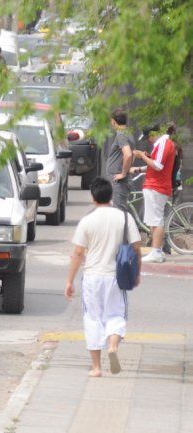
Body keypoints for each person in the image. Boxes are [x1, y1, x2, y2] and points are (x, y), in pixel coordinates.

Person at [65, 177, 141, 377]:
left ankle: (96, 368)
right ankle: (113, 346)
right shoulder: (124, 218)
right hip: (116, 277)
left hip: (92, 277)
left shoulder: (87, 221)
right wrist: (137, 274)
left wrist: (69, 281)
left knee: (93, 319)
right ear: (111, 196)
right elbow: (136, 248)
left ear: (93, 197)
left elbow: (79, 253)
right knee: (116, 315)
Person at [130, 125, 177, 263]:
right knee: (154, 219)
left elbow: (157, 165)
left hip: (156, 186)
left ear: (153, 134)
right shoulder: (163, 144)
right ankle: (158, 250)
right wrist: (139, 169)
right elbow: (155, 166)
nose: (148, 141)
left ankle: (156, 251)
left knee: (155, 220)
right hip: (156, 185)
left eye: (148, 137)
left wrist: (143, 156)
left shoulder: (163, 143)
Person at [106, 108, 136, 210]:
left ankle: (122, 227)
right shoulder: (128, 133)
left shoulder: (121, 135)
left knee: (119, 211)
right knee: (120, 209)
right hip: (121, 179)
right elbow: (132, 154)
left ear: (114, 121)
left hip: (119, 181)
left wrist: (123, 173)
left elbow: (128, 155)